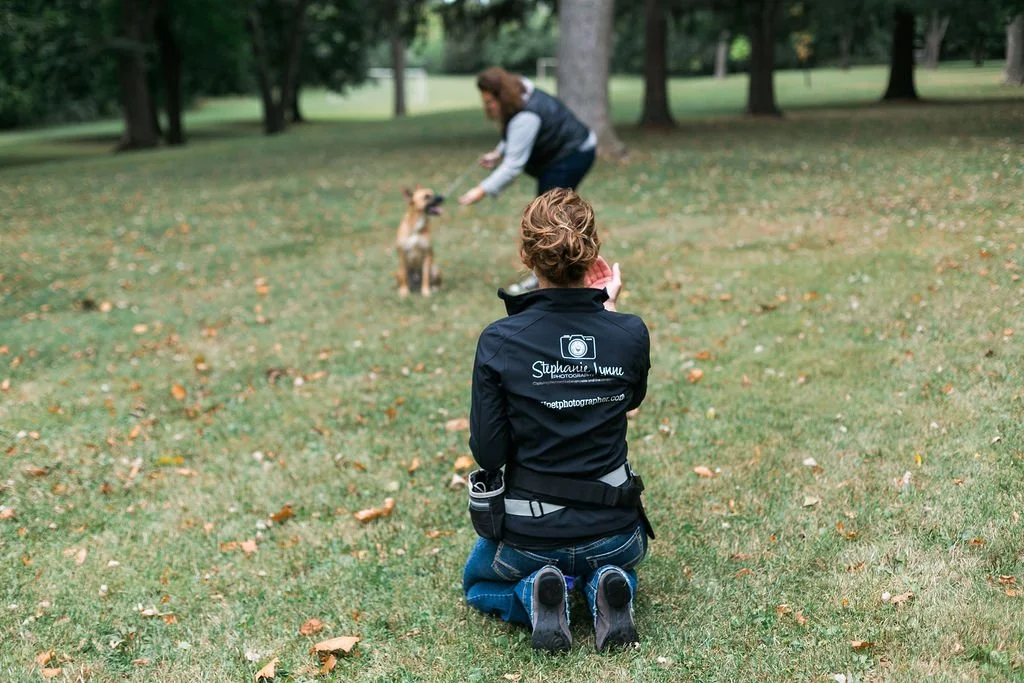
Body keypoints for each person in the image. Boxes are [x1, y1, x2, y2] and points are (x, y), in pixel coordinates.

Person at [462, 188, 653, 653]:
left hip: (531, 534)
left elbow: (489, 454)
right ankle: (608, 580)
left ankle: (535, 592)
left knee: (477, 585)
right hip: (616, 531)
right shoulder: (629, 332)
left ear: (527, 255)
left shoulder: (500, 340)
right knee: (611, 560)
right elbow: (628, 402)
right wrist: (605, 312)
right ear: (592, 250)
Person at [458, 66, 599, 295]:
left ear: (501, 96)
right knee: (548, 217)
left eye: (489, 101)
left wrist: (481, 190)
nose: (487, 106)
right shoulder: (519, 92)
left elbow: (514, 166)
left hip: (573, 153)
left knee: (548, 220)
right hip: (567, 150)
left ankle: (552, 278)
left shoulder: (526, 116)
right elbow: (515, 138)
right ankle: (552, 273)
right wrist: (499, 152)